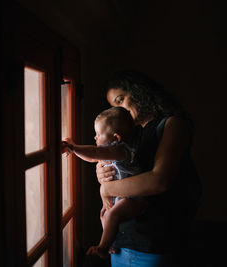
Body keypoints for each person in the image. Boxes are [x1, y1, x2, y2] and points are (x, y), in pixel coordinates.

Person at [96, 70, 202, 266]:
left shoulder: (172, 124)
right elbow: (120, 170)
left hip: (154, 242)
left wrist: (107, 188)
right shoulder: (127, 137)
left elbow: (159, 180)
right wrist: (104, 174)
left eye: (120, 100)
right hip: (121, 241)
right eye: (113, 106)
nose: (118, 109)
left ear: (139, 92)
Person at [61, 106, 147, 259]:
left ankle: (102, 247)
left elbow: (95, 152)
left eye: (98, 134)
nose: (95, 138)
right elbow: (93, 157)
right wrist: (74, 148)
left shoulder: (121, 151)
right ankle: (111, 243)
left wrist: (73, 147)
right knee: (104, 214)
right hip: (121, 196)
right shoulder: (109, 152)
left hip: (135, 198)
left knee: (112, 215)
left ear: (116, 138)